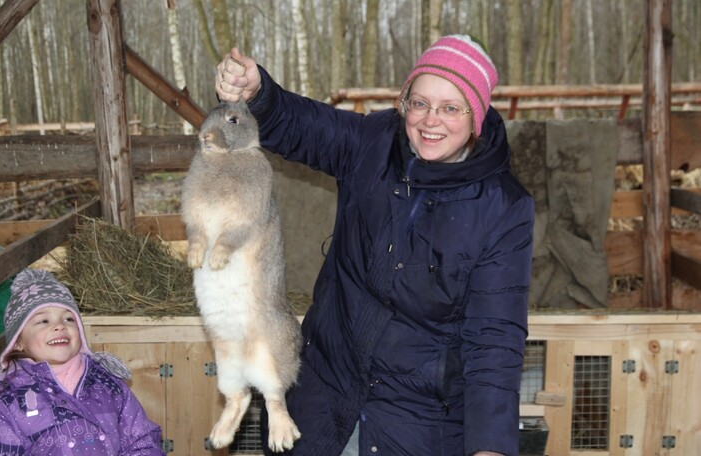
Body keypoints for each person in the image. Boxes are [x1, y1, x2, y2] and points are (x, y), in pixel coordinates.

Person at [216, 34, 534, 456]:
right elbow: (305, 126)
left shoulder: (503, 207)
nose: (430, 120)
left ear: (476, 116)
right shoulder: (375, 142)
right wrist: (259, 96)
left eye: (450, 108)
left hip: (418, 421)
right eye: (419, 103)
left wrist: (491, 447)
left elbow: (494, 338)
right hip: (324, 394)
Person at [0, 268, 165, 456]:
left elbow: (141, 440)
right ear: (18, 342)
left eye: (69, 319)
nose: (60, 326)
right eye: (43, 321)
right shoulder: (7, 400)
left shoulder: (108, 385)